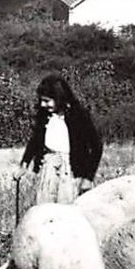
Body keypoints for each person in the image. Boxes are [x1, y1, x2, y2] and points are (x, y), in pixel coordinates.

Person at [18, 74, 103, 206]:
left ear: (59, 98)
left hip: (71, 171)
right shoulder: (44, 115)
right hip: (48, 168)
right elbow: (35, 141)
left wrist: (88, 178)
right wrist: (24, 164)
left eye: (47, 101)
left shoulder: (79, 115)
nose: (42, 104)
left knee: (67, 211)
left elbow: (96, 146)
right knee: (45, 211)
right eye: (41, 101)